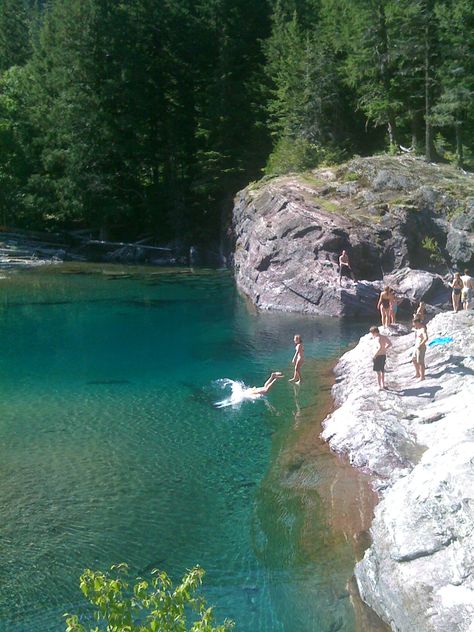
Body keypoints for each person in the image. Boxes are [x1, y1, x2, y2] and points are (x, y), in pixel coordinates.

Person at [369, 326, 392, 390]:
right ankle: (383, 384)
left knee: (378, 372)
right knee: (382, 370)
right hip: (383, 355)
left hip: (378, 356)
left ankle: (379, 386)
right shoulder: (383, 337)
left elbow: (379, 347)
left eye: (372, 333)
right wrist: (385, 348)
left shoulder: (377, 338)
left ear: (374, 332)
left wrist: (375, 355)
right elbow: (390, 344)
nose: (372, 334)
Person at [412, 317, 428, 381]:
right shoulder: (418, 328)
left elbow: (426, 338)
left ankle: (422, 377)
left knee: (420, 362)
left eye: (414, 324)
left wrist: (421, 344)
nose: (414, 325)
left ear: (418, 323)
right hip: (416, 347)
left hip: (421, 347)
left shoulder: (423, 329)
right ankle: (417, 373)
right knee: (413, 359)